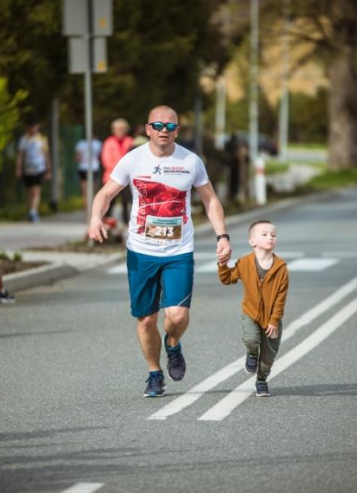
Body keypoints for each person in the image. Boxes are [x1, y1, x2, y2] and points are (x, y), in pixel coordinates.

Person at [88, 105, 232, 397]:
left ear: (177, 131)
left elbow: (211, 200)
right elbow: (105, 193)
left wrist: (222, 235)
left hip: (179, 250)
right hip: (141, 251)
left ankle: (173, 343)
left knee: (177, 317)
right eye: (158, 125)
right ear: (147, 129)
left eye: (170, 126)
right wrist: (95, 218)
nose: (164, 130)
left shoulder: (191, 161)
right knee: (146, 319)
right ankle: (154, 373)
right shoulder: (133, 160)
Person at [218, 220, 289, 397]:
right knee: (251, 339)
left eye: (273, 235)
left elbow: (281, 298)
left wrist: (274, 320)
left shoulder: (281, 268)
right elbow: (227, 279)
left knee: (267, 357)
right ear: (252, 241)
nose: (270, 238)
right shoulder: (245, 263)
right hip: (251, 313)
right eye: (264, 234)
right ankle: (251, 354)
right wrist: (222, 264)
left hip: (272, 319)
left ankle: (262, 380)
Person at [16, 119, 50, 222]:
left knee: (36, 190)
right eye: (31, 126)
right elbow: (21, 155)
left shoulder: (42, 139)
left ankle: (33, 211)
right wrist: (18, 168)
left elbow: (46, 154)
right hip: (27, 168)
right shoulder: (24, 140)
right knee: (30, 191)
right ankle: (31, 209)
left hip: (39, 168)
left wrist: (48, 169)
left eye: (35, 126)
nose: (33, 128)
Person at [101, 118, 134, 226]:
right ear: (113, 130)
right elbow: (106, 160)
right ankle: (107, 222)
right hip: (111, 177)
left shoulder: (130, 141)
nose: (120, 130)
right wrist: (121, 169)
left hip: (128, 178)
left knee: (127, 201)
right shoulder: (108, 142)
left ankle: (126, 222)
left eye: (122, 128)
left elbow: (133, 158)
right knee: (109, 201)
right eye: (118, 128)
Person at [75, 134, 102, 221]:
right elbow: (100, 156)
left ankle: (86, 214)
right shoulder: (98, 144)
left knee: (85, 193)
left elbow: (78, 158)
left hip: (83, 168)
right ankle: (92, 214)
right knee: (92, 193)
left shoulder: (80, 144)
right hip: (94, 168)